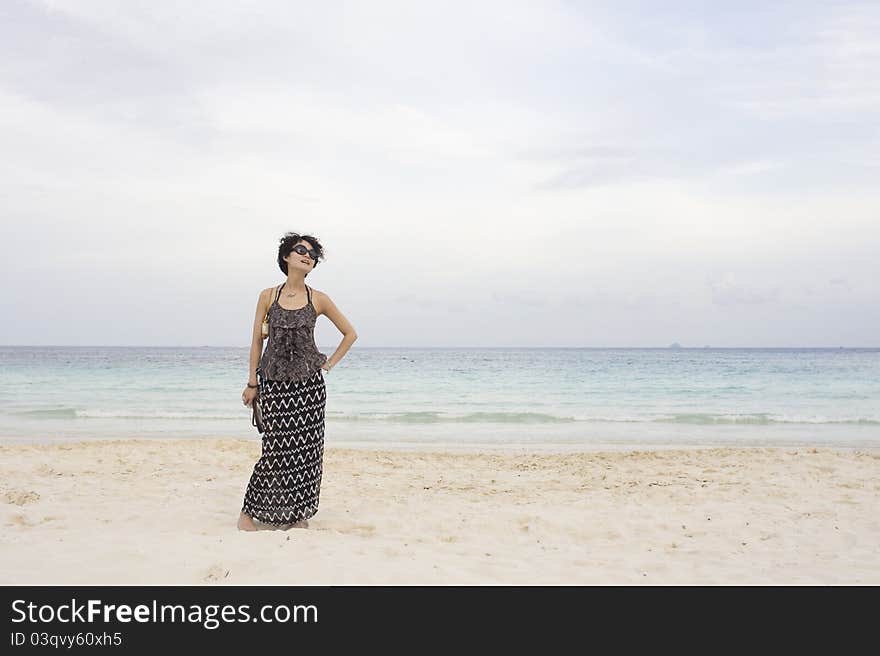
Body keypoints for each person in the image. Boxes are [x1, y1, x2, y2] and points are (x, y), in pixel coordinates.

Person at [238, 232, 358, 531]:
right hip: (274, 383)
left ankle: (298, 515)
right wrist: (252, 383)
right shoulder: (268, 296)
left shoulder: (318, 298)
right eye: (302, 250)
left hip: (309, 387)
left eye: (313, 254)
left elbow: (350, 334)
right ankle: (247, 514)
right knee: (275, 449)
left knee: (306, 452)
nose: (309, 255)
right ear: (286, 257)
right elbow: (256, 342)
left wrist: (327, 365)